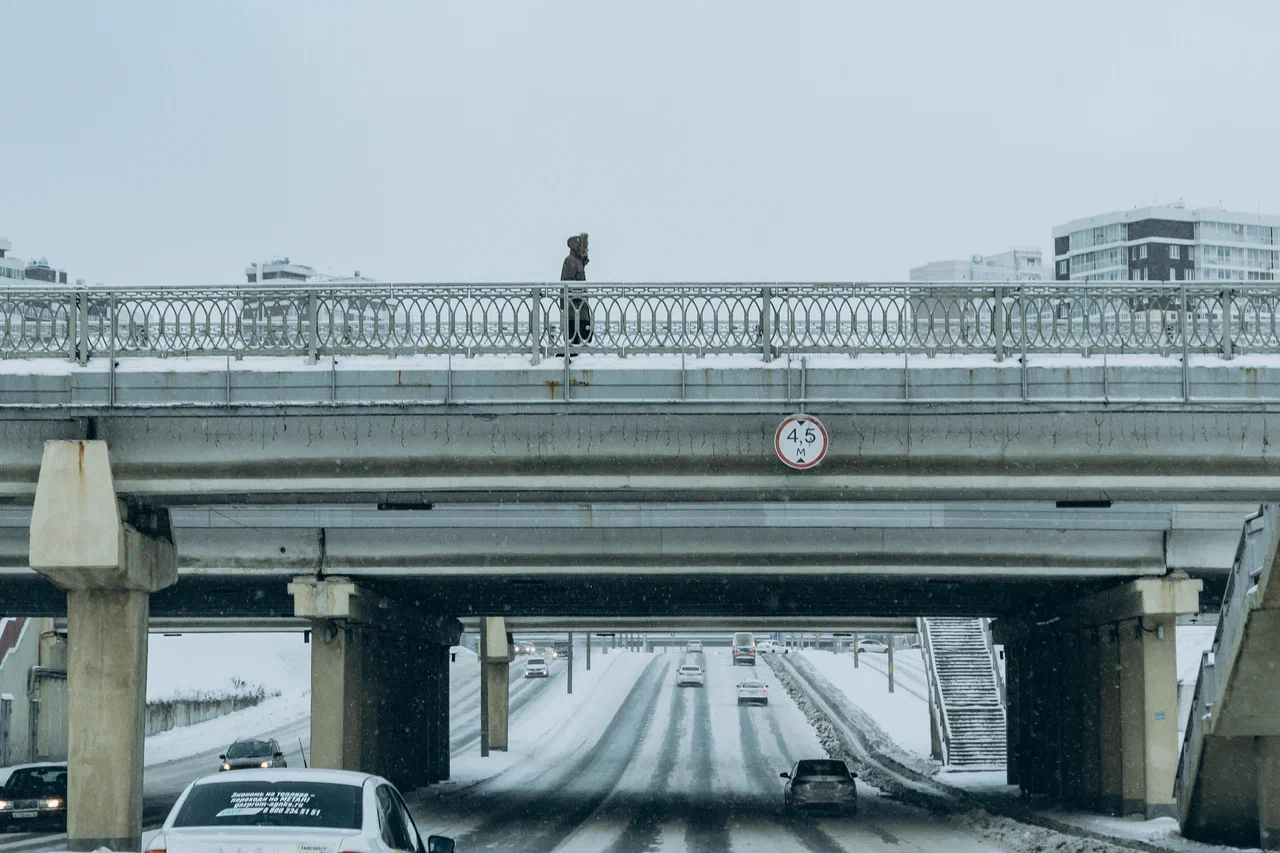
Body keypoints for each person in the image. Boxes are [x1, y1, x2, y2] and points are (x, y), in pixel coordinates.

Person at [560, 233, 592, 353]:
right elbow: (567, 286)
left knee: (580, 347)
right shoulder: (570, 261)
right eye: (586, 245)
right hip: (574, 313)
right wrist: (580, 294)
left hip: (579, 312)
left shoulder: (578, 262)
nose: (588, 248)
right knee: (575, 348)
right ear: (579, 247)